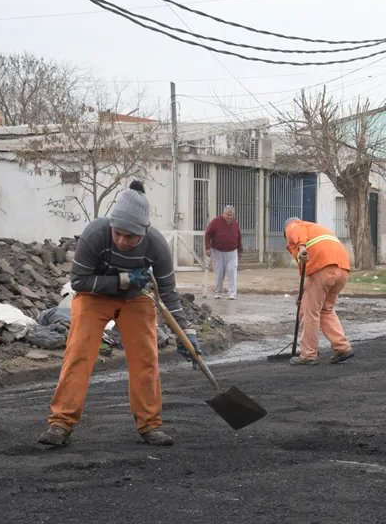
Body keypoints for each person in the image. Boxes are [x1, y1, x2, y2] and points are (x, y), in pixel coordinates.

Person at [37, 181, 202, 448]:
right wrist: (123, 280)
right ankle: (61, 423)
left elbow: (169, 294)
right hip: (94, 297)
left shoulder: (157, 247)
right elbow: (78, 282)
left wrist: (187, 334)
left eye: (131, 237)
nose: (123, 241)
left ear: (144, 233)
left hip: (137, 300)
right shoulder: (95, 234)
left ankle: (150, 425)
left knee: (146, 359)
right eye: (118, 234)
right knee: (78, 354)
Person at [283, 217, 354, 366]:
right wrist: (302, 295)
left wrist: (301, 247)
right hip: (342, 270)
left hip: (322, 268)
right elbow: (307, 276)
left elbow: (295, 228)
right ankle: (342, 347)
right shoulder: (316, 231)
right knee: (326, 310)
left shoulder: (295, 226)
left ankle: (308, 354)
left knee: (310, 311)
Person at [205, 205, 243, 300]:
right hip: (217, 251)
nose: (229, 217)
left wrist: (240, 251)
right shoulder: (215, 222)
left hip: (232, 251)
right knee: (219, 272)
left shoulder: (235, 223)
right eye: (228, 215)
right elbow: (208, 234)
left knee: (232, 271)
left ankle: (232, 293)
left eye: (231, 215)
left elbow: (239, 237)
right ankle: (218, 292)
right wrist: (208, 248)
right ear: (223, 214)